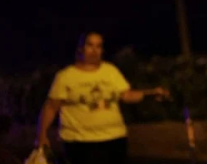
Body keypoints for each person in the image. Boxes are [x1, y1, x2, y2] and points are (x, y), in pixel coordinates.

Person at [35, 31, 170, 164]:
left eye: (98, 46)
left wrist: (151, 94)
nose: (94, 50)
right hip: (80, 144)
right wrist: (42, 135)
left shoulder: (110, 71)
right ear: (81, 48)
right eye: (90, 45)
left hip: (114, 139)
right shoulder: (65, 76)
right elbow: (51, 107)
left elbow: (126, 95)